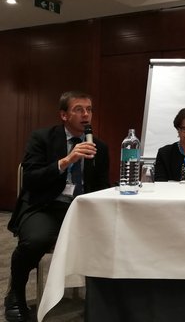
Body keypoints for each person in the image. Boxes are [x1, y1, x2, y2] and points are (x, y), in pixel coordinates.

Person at [5, 91, 110, 322]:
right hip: (46, 205)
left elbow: (103, 186)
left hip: (83, 209)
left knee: (113, 238)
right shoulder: (42, 138)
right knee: (35, 240)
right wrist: (66, 161)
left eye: (89, 109)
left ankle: (104, 299)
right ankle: (16, 293)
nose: (86, 115)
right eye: (79, 109)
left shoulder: (99, 147)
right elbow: (31, 178)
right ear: (63, 115)